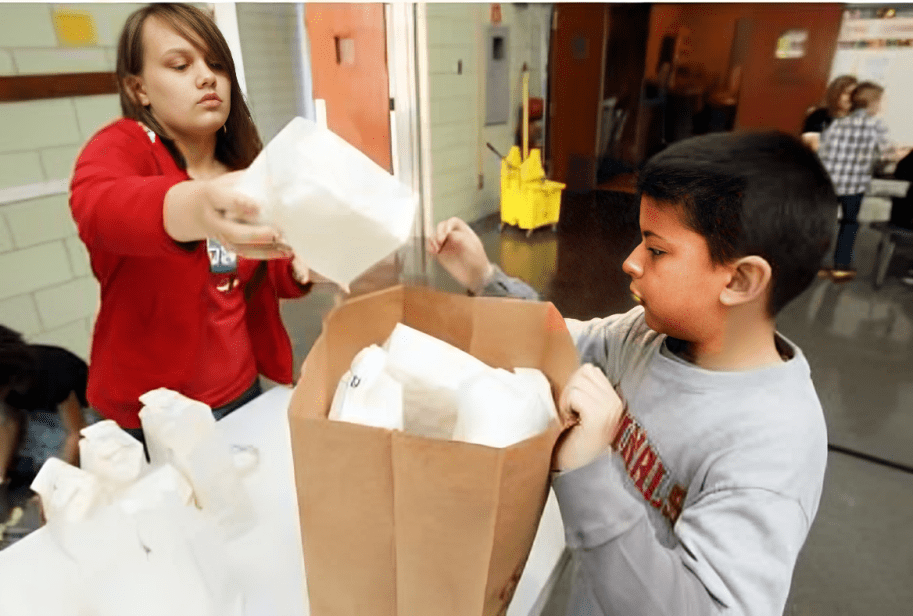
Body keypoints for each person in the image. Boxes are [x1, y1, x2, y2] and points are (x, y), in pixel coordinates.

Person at [428, 131, 835, 616]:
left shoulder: (771, 450)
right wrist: (483, 278)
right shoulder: (646, 335)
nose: (631, 262)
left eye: (657, 250)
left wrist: (588, 471)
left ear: (741, 280)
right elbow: (558, 341)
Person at [69, 3, 313, 442]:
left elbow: (263, 271)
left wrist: (299, 265)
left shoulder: (244, 167)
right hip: (149, 414)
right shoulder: (123, 146)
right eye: (181, 65)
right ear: (139, 88)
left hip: (239, 392)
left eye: (216, 64)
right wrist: (197, 207)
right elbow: (98, 208)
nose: (206, 77)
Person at [1, 326, 90, 525]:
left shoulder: (51, 373)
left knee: (53, 454)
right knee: (27, 451)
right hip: (43, 414)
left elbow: (76, 432)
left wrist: (54, 485)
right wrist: (1, 476)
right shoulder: (8, 384)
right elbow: (10, 422)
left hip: (81, 416)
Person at [817, 81, 895, 282]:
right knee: (849, 224)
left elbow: (823, 151)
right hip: (854, 186)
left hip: (830, 183)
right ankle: (840, 267)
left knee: (825, 224)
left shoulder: (839, 123)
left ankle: (815, 264)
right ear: (873, 103)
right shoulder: (876, 125)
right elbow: (887, 155)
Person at [801, 74, 857, 151]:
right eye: (847, 93)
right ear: (836, 93)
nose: (851, 98)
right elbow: (811, 146)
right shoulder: (818, 115)